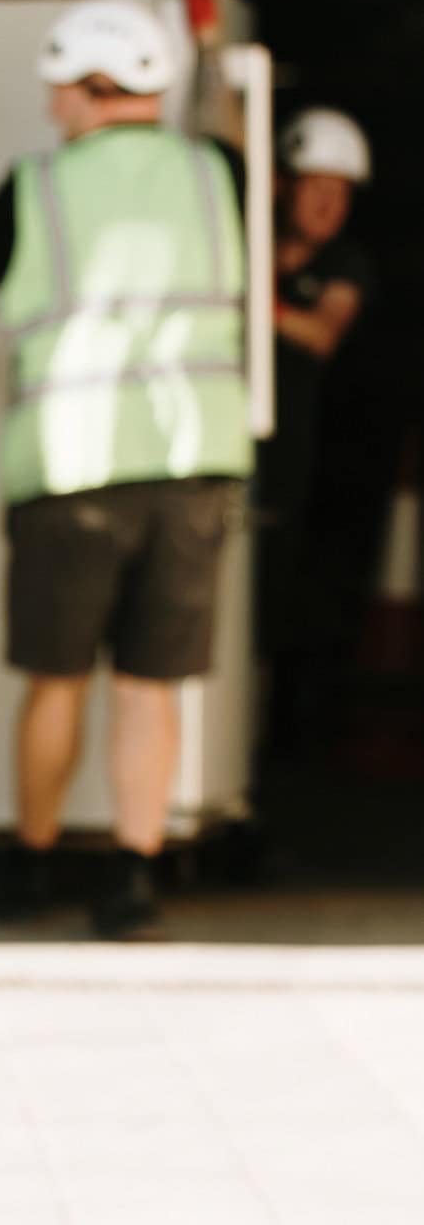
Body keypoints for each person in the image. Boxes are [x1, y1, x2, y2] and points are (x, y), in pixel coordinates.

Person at [0, 0, 252, 938]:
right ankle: (131, 882)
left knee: (55, 679)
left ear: (95, 84)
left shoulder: (37, 188)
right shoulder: (217, 172)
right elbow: (230, 135)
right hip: (193, 461)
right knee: (150, 684)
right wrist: (210, 49)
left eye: (60, 85)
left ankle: (30, 869)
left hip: (71, 466)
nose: (51, 103)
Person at [255, 107, 373, 755]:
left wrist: (248, 303)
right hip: (214, 444)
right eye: (318, 187)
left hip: (291, 455)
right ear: (283, 185)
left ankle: (257, 746)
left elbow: (322, 332)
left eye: (342, 193)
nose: (330, 205)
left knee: (273, 595)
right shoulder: (243, 238)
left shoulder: (345, 262)